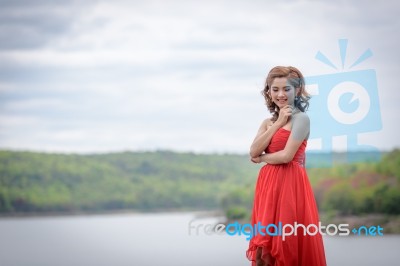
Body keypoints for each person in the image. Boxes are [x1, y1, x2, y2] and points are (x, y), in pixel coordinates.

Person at [246, 66, 327, 266]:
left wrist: (262, 158)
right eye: (275, 89)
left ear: (297, 90)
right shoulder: (267, 122)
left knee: (286, 242)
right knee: (263, 249)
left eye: (286, 89)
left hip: (290, 185)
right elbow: (253, 150)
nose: (281, 94)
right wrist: (278, 122)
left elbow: (286, 156)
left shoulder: (302, 119)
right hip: (268, 186)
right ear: (269, 92)